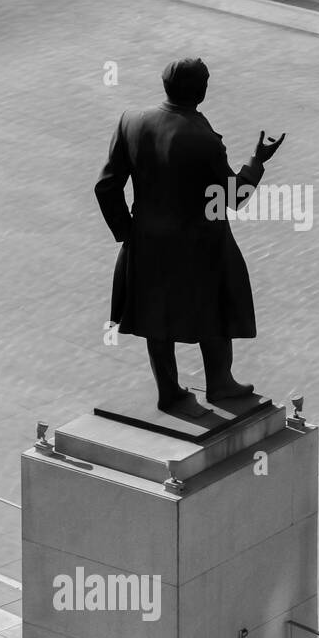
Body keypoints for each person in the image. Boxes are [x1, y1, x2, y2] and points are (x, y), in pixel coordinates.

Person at [94, 57, 285, 414]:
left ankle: (169, 391)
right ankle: (220, 382)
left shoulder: (131, 121)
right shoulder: (202, 138)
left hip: (147, 241)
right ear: (201, 90)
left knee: (155, 315)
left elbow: (106, 186)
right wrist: (258, 161)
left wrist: (128, 232)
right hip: (200, 244)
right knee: (217, 304)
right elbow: (234, 197)